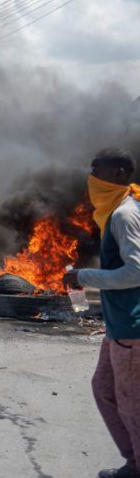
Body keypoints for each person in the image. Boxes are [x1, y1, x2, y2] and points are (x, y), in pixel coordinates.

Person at [64, 147, 140, 478]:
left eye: (99, 172)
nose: (92, 180)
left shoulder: (124, 214)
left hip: (132, 329)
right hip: (119, 326)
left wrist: (83, 276)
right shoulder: (119, 211)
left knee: (131, 402)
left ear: (120, 175)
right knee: (105, 388)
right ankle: (133, 461)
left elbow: (136, 271)